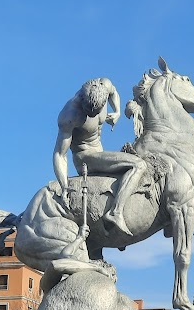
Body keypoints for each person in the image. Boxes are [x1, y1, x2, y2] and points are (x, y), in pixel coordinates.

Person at [53, 78, 146, 236]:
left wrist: (116, 111)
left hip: (100, 153)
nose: (93, 116)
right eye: (89, 112)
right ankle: (115, 213)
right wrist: (64, 186)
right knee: (138, 165)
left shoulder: (105, 85)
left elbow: (114, 92)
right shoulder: (70, 115)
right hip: (85, 157)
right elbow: (59, 154)